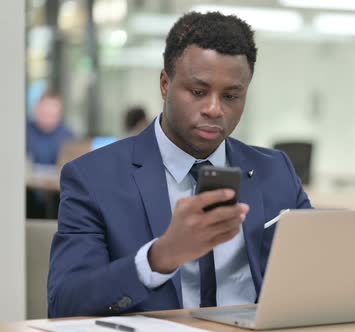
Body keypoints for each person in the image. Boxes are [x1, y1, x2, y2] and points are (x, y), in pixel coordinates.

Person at [48, 11, 312, 317]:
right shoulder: (93, 178)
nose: (214, 109)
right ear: (165, 83)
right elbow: (65, 302)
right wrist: (160, 257)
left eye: (231, 96)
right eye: (198, 92)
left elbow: (320, 267)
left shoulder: (275, 170)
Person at [26, 90, 74, 165]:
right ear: (37, 110)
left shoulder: (68, 136)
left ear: (59, 114)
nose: (47, 117)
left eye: (51, 114)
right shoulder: (25, 132)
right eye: (44, 112)